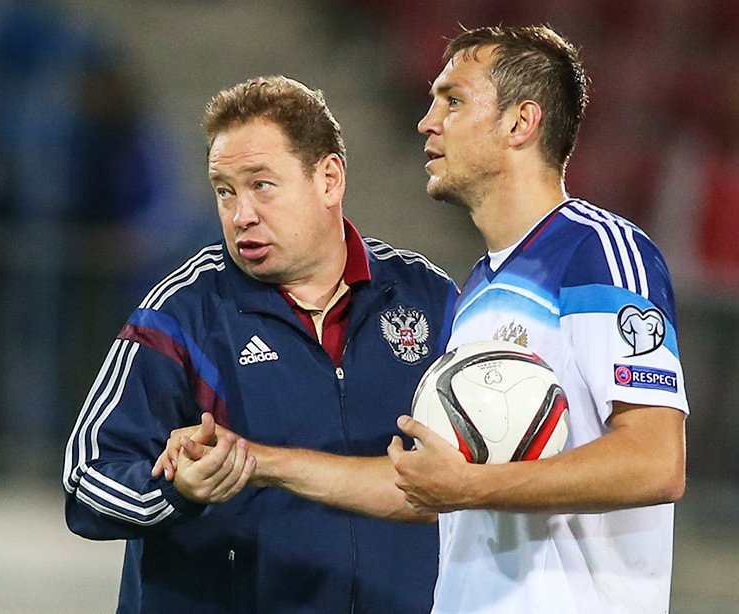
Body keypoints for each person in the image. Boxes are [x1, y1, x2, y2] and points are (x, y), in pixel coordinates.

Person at [158, 26, 689, 613]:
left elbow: (655, 462)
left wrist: (470, 487)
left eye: (453, 101)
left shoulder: (600, 253)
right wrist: (253, 460)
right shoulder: (477, 293)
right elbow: (425, 488)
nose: (426, 122)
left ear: (521, 123)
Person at [62, 75, 459, 613]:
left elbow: (479, 472)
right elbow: (87, 480)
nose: (240, 214)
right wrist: (176, 490)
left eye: (261, 185)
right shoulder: (183, 313)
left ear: (329, 179)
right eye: (224, 191)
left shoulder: (429, 299)